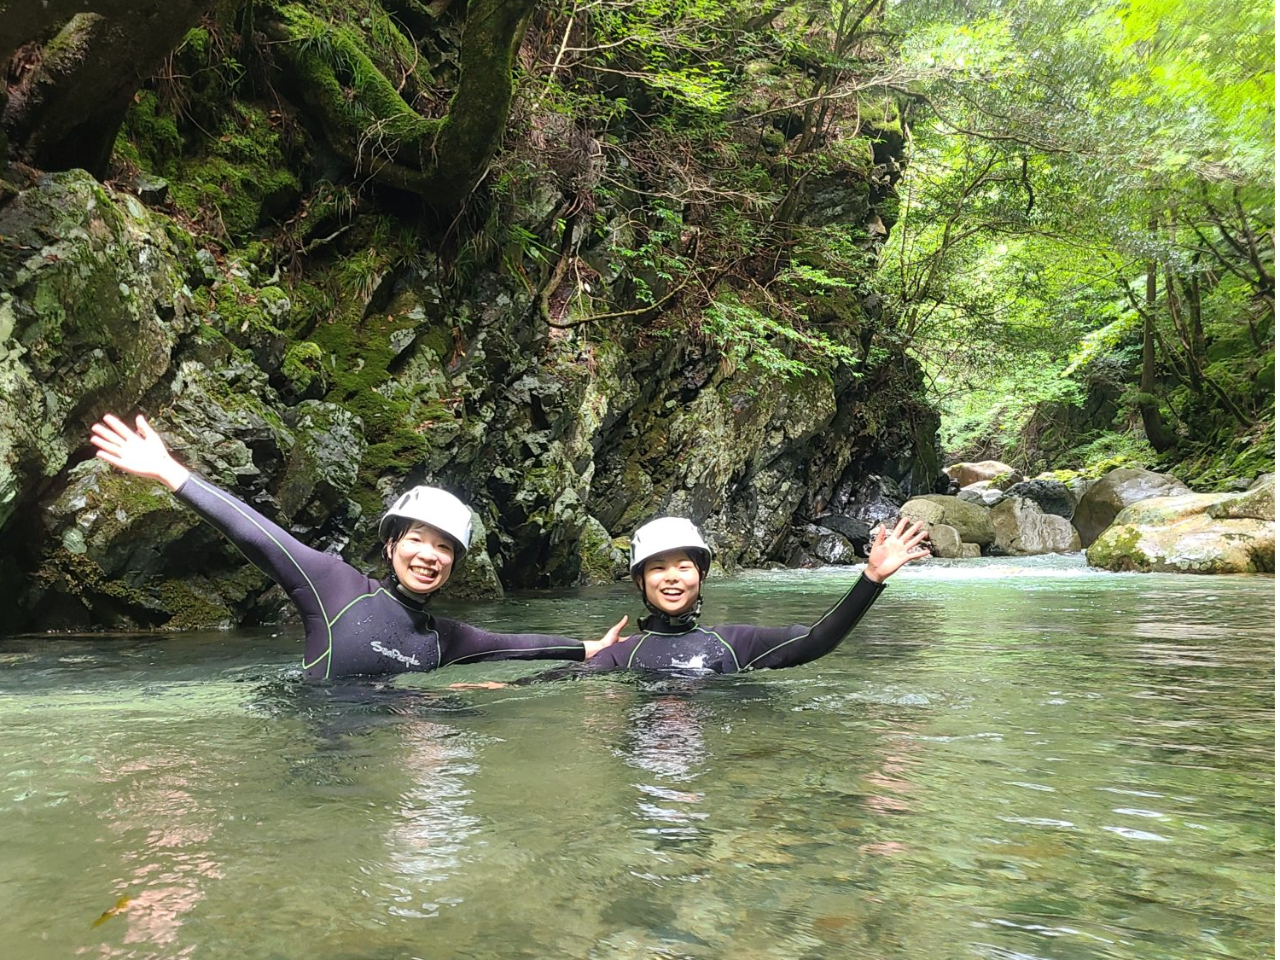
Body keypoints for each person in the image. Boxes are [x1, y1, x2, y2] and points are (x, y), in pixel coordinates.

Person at [89, 413, 627, 679]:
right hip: (308, 753)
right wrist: (170, 473)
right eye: (417, 539)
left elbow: (515, 645)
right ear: (392, 545)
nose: (429, 556)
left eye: (444, 548)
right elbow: (256, 532)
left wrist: (588, 648)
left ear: (455, 565)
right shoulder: (334, 585)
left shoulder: (446, 640)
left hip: (381, 772)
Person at [583, 514, 929, 674]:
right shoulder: (620, 655)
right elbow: (546, 679)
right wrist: (586, 650)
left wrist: (871, 577)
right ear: (640, 582)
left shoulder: (737, 642)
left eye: (683, 567)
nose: (672, 577)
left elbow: (816, 641)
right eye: (657, 568)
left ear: (700, 576)